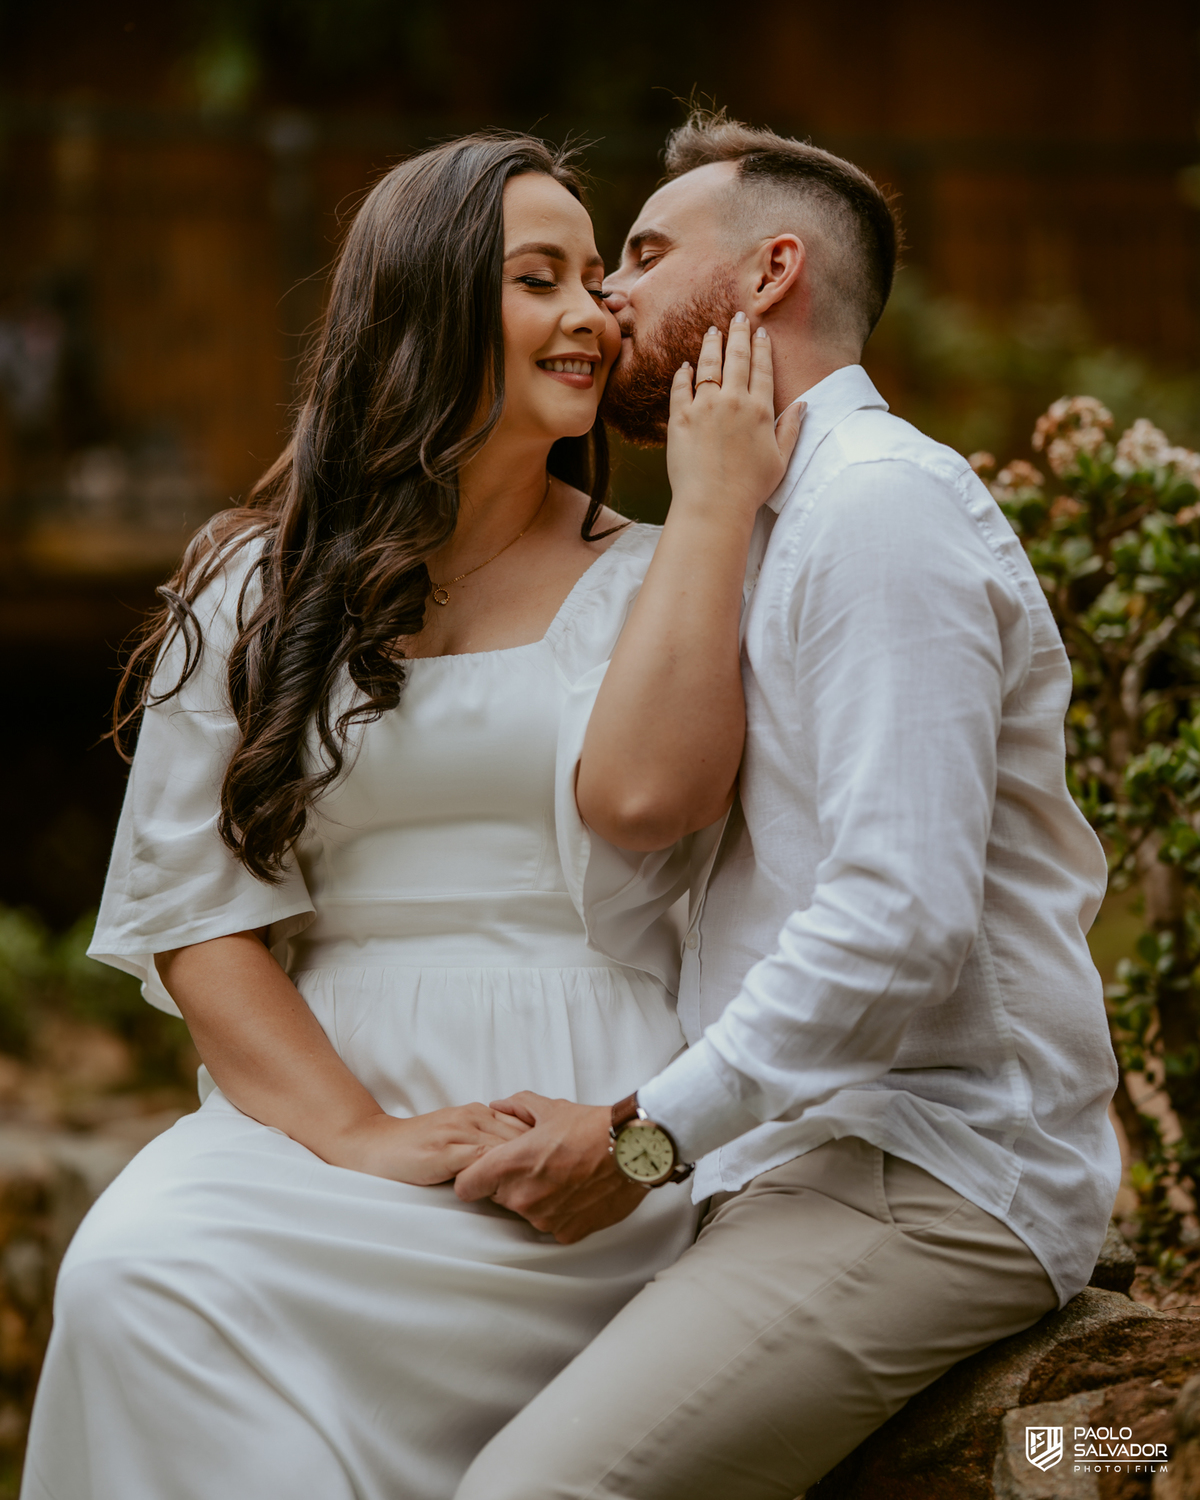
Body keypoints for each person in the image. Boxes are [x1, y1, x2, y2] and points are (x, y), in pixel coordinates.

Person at [20, 132, 800, 1500]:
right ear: (425, 308)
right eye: (537, 278)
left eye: (593, 277)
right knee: (136, 1272)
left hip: (572, 1112)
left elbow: (658, 800)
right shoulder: (256, 585)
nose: (589, 313)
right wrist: (359, 1136)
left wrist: (718, 504)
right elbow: (199, 918)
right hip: (307, 1109)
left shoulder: (661, 575)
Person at [453, 111, 1123, 1500]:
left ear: (767, 275)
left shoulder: (877, 511)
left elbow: (900, 921)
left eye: (640, 254)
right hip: (789, 1163)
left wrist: (641, 1137)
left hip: (929, 1175)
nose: (605, 297)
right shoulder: (749, 515)